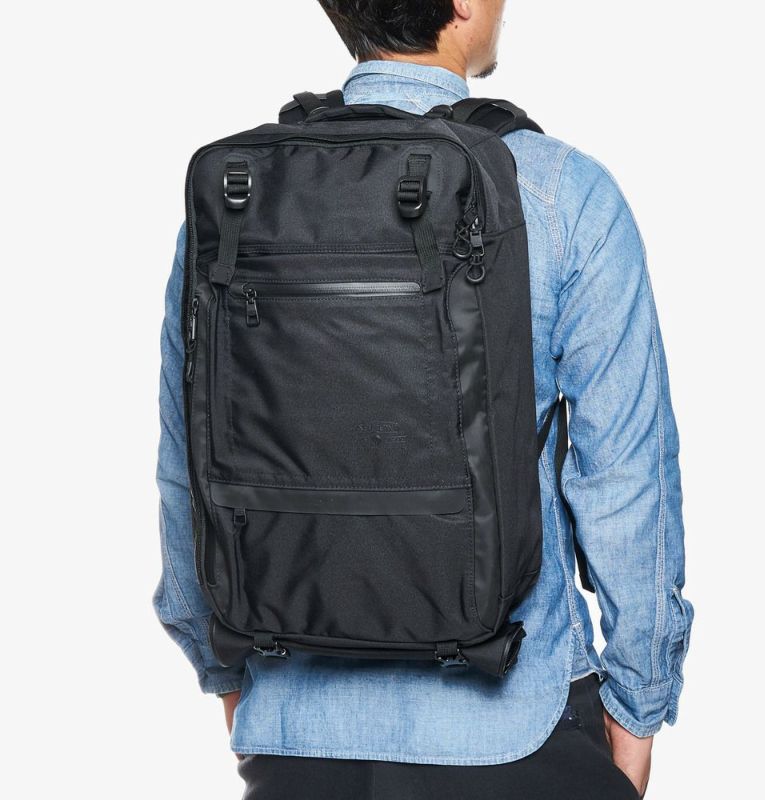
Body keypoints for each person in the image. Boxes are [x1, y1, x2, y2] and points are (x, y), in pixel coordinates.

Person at [154, 1, 692, 797]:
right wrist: (640, 707)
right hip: (515, 730)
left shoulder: (240, 194)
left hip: (296, 734)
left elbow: (188, 467)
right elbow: (626, 481)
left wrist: (226, 671)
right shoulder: (560, 192)